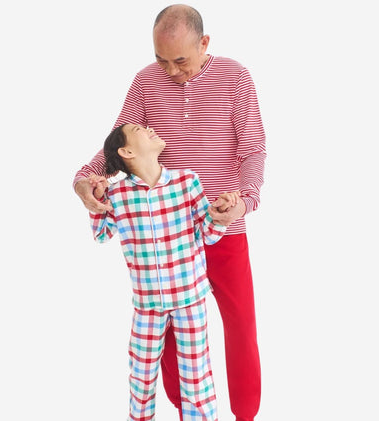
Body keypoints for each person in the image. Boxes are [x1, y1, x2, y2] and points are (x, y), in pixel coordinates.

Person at [74, 5, 266, 421]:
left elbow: (253, 149)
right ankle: (184, 410)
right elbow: (116, 146)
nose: (171, 70)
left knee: (241, 325)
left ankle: (246, 415)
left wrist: (244, 202)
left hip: (224, 227)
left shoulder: (235, 77)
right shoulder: (145, 81)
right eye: (161, 59)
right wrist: (84, 179)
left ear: (204, 43)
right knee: (171, 333)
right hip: (167, 232)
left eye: (180, 60)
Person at [89, 123, 238, 420]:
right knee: (141, 375)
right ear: (126, 152)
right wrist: (97, 199)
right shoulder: (117, 194)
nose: (149, 128)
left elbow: (208, 234)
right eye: (138, 129)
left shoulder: (187, 182)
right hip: (148, 303)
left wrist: (220, 214)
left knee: (196, 376)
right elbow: (102, 234)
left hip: (190, 297)